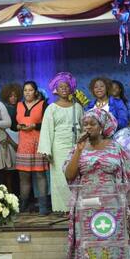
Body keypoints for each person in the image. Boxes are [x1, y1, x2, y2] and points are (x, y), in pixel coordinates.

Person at [64, 108, 130, 259]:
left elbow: (127, 179)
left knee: (113, 244)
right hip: (86, 206)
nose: (87, 127)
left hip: (113, 205)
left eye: (92, 124)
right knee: (89, 247)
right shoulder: (78, 148)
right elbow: (69, 175)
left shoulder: (115, 147)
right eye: (85, 124)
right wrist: (79, 151)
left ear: (102, 126)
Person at [38, 72, 83, 213]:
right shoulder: (51, 108)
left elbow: (83, 127)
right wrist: (46, 150)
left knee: (76, 177)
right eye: (60, 86)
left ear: (71, 89)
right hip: (58, 148)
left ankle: (76, 207)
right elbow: (46, 130)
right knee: (60, 177)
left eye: (66, 86)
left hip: (76, 146)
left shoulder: (78, 107)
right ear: (56, 90)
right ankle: (62, 208)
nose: (64, 89)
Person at [16, 81, 49, 215]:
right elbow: (13, 124)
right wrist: (17, 127)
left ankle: (43, 207)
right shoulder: (18, 105)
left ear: (35, 92)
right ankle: (23, 206)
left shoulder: (43, 104)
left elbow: (47, 124)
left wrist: (34, 126)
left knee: (40, 175)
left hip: (38, 144)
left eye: (30, 90)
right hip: (23, 144)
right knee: (24, 177)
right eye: (25, 90)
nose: (27, 92)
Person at [0, 82, 22, 195]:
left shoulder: (21, 107)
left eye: (15, 95)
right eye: (10, 96)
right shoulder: (4, 109)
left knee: (21, 171)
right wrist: (13, 143)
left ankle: (19, 195)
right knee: (9, 171)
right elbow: (3, 129)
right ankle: (10, 195)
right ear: (6, 97)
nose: (13, 98)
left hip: (20, 137)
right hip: (8, 140)